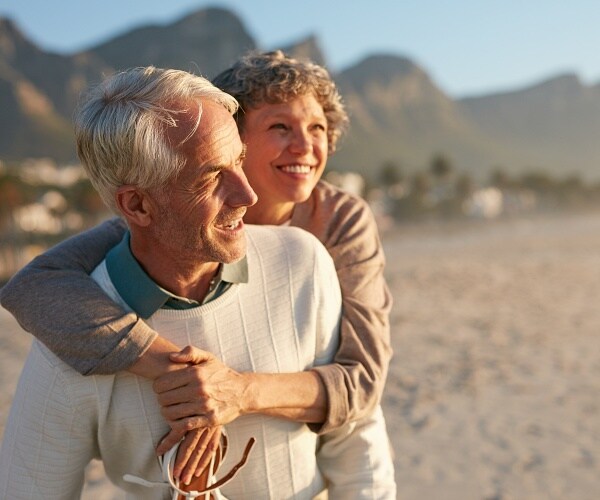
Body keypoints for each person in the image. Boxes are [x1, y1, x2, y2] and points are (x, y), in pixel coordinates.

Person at [1, 52, 395, 494]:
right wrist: (179, 373)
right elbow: (33, 283)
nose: (244, 194)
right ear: (137, 206)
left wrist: (236, 392)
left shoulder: (313, 252)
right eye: (212, 175)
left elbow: (360, 401)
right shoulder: (71, 330)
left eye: (318, 128)